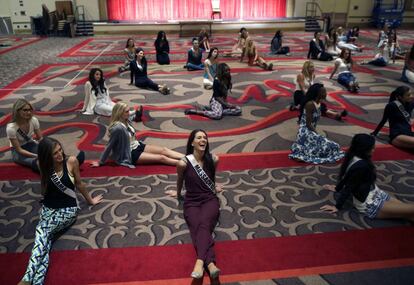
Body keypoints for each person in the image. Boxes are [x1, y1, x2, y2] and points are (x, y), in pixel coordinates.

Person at [17, 137, 103, 285]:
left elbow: (79, 183)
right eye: (54, 153)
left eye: (60, 150)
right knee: (46, 240)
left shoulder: (71, 161)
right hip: (49, 208)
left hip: (68, 209)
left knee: (42, 231)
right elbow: (44, 187)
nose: (59, 155)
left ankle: (26, 278)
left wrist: (90, 200)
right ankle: (37, 281)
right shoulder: (42, 165)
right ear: (46, 157)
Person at [165, 129, 223, 280]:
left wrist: (214, 187)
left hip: (210, 199)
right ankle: (210, 265)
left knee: (203, 224)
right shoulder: (183, 163)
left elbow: (212, 177)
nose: (203, 140)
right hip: (191, 202)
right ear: (192, 143)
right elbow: (179, 180)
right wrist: (177, 194)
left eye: (205, 137)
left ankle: (199, 262)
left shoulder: (214, 159)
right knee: (196, 227)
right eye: (199, 138)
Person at [321, 133, 414, 222]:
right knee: (410, 211)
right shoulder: (362, 166)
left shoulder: (353, 156)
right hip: (370, 203)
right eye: (372, 148)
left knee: (409, 212)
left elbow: (346, 177)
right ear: (364, 149)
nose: (374, 150)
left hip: (376, 193)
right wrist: (337, 206)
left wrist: (337, 188)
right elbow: (349, 186)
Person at [90, 102, 183, 168]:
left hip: (137, 145)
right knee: (161, 158)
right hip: (130, 153)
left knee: (164, 150)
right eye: (126, 112)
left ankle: (189, 158)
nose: (129, 113)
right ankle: (186, 164)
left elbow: (133, 116)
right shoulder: (117, 128)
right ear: (120, 113)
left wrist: (136, 112)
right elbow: (109, 145)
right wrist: (101, 162)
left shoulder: (126, 120)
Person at [7, 99, 85, 173]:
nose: (28, 112)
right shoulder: (11, 128)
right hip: (18, 152)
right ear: (17, 111)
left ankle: (70, 163)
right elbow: (19, 150)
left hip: (31, 144)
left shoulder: (33, 120)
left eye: (29, 110)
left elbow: (40, 138)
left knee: (51, 152)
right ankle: (56, 171)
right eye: (25, 110)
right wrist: (37, 155)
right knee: (35, 161)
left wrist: (47, 148)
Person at [289, 83, 345, 164]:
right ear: (317, 94)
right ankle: (302, 153)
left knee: (335, 146)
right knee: (329, 147)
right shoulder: (310, 104)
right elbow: (308, 124)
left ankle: (306, 151)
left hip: (312, 131)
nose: (325, 93)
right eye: (323, 92)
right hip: (306, 132)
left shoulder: (319, 103)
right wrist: (317, 135)